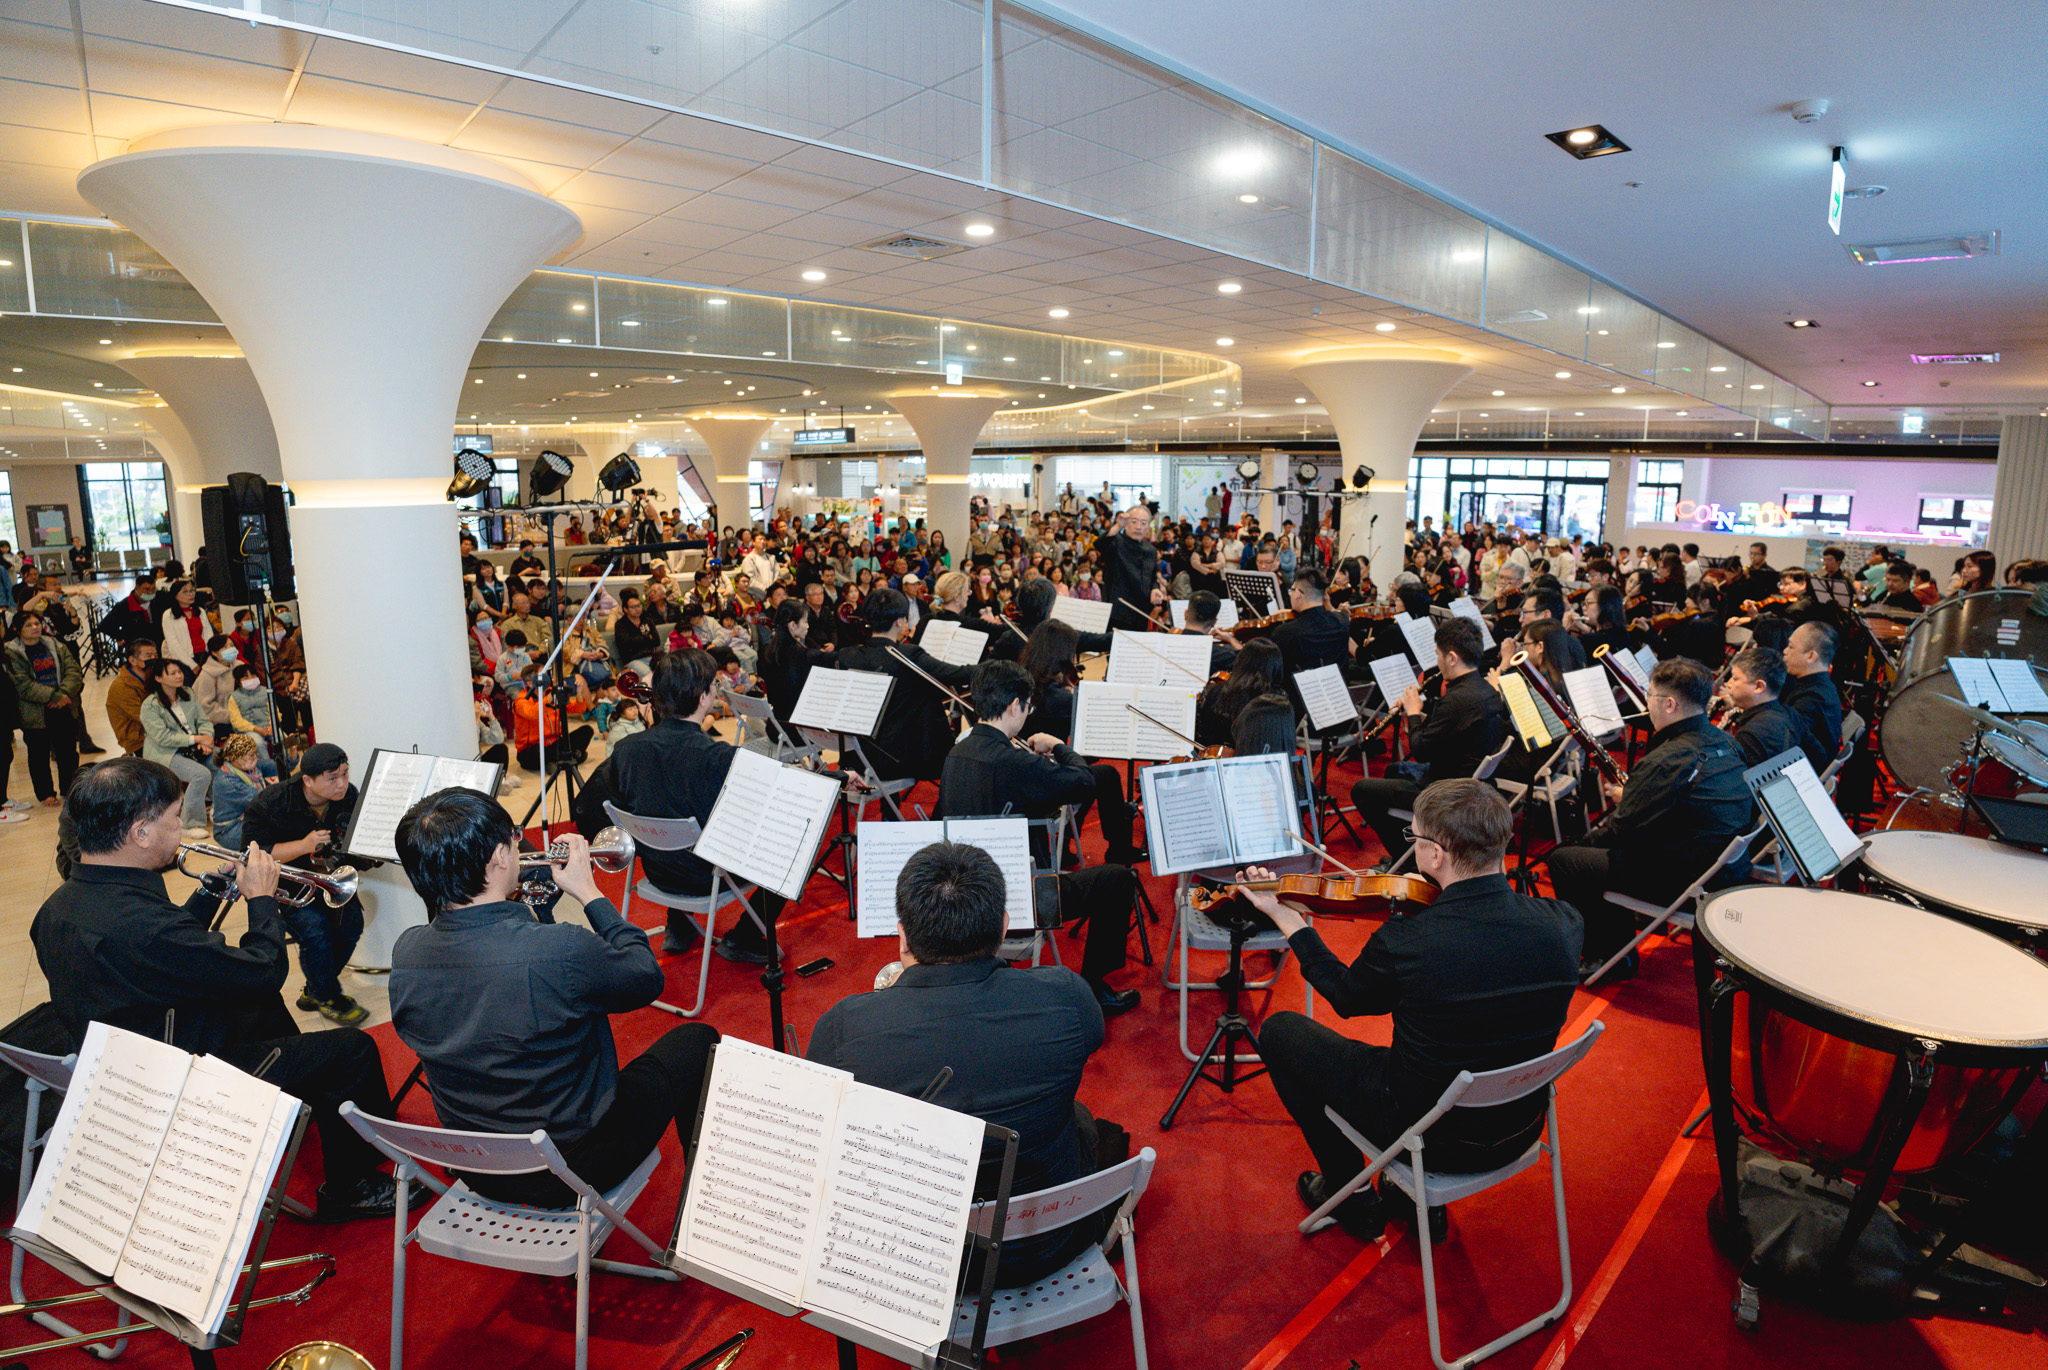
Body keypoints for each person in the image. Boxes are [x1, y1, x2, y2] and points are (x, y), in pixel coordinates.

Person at [32, 758, 418, 1221]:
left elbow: (159, 958)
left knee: (253, 1000)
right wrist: (260, 900)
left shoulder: (59, 907)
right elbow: (264, 968)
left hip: (129, 1058)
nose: (183, 830)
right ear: (140, 833)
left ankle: (305, 1100)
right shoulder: (146, 926)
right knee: (352, 1050)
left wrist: (208, 894)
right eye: (175, 819)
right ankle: (351, 1183)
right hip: (178, 1076)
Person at [1247, 780, 1582, 1237]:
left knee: (1282, 1032)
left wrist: (1287, 917)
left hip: (1429, 1135)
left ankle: (1352, 1197)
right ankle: (1411, 1198)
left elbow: (1347, 998)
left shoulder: (1409, 943)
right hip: (1519, 1125)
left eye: (1417, 839)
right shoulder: (1564, 923)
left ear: (1437, 856)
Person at [807, 842, 1119, 1284]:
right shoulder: (1067, 996)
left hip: (921, 1264)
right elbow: (1091, 1037)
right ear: (1004, 927)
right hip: (1049, 1241)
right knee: (1079, 1118)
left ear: (902, 937)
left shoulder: (843, 1028)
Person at [389, 788, 719, 1206]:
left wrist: (535, 907)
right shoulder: (559, 949)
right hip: (571, 1168)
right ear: (499, 857)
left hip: (478, 1167)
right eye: (513, 837)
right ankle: (705, 1208)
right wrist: (589, 892)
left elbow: (508, 979)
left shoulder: (407, 951)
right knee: (697, 1040)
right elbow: (644, 977)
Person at [937, 661, 1140, 1013]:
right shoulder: (1015, 762)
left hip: (961, 887)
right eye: (1027, 707)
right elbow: (1085, 781)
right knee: (1118, 879)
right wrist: (1059, 746)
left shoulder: (957, 752)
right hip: (1016, 896)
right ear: (1015, 705)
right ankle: (1095, 989)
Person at [1546, 659, 1753, 979]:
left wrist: (1580, 844)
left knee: (1567, 860)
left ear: (1670, 704)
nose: (1646, 704)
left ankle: (1607, 955)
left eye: (1650, 696)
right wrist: (1639, 796)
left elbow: (1620, 831)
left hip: (1687, 880)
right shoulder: (1727, 741)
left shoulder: (1667, 758)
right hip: (1726, 870)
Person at [603, 648, 792, 963]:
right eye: (714, 685)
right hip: (706, 877)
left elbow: (612, 807)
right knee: (787, 846)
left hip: (656, 869)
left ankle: (680, 924)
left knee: (674, 815)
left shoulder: (624, 750)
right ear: (704, 697)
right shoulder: (719, 757)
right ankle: (744, 937)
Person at [1350, 618, 1509, 866]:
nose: (1437, 661)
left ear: (1452, 658)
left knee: (1362, 790)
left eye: (1438, 655)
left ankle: (1407, 862)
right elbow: (1455, 729)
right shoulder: (1487, 690)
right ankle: (1408, 854)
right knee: (1393, 771)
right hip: (1468, 781)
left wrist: (1413, 714)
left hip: (1447, 792)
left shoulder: (1456, 699)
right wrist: (1425, 717)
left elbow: (1421, 751)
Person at [242, 743, 370, 1025]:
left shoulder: (348, 795)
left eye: (346, 774)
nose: (343, 784)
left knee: (352, 927)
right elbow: (252, 853)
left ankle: (316, 988)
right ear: (307, 780)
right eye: (333, 777)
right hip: (290, 883)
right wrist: (303, 845)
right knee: (315, 934)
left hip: (330, 877)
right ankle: (328, 996)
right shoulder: (270, 803)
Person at [832, 588, 975, 785]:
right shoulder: (908, 655)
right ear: (899, 621)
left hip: (859, 757)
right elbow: (957, 674)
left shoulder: (848, 655)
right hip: (902, 759)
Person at [7, 608, 84, 808]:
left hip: (63, 706)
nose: (35, 628)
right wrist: (53, 696)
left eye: (37, 624)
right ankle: (45, 793)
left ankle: (70, 788)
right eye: (29, 625)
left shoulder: (55, 645)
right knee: (38, 754)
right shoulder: (11, 652)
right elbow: (22, 684)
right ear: (17, 629)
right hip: (34, 711)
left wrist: (64, 694)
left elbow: (73, 670)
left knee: (67, 751)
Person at [139, 657, 212, 836]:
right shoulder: (150, 705)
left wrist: (207, 739)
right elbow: (162, 737)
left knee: (222, 763)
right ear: (158, 678)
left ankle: (220, 809)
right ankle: (189, 824)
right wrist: (196, 739)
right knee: (200, 774)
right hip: (165, 753)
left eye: (179, 671)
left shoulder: (187, 693)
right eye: (172, 673)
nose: (179, 676)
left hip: (195, 746)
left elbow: (203, 720)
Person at [1720, 645, 1803, 767]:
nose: (1729, 684)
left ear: (1759, 687)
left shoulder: (1750, 734)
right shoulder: (1791, 714)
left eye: (1736, 679)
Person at [1779, 622, 1844, 772]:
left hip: (1801, 774)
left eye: (1791, 647)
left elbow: (1785, 745)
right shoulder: (1823, 686)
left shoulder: (1809, 700)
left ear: (1810, 656)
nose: (1785, 651)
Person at [1098, 505, 1166, 631]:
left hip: (1141, 613)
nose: (1138, 527)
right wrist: (1118, 526)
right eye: (1134, 522)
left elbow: (1152, 577)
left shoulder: (1150, 550)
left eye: (1143, 523)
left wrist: (1155, 589)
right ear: (1126, 523)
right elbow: (1099, 544)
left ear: (1147, 528)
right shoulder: (1116, 542)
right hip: (1118, 613)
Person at [106, 635, 158, 755]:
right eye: (148, 656)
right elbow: (144, 717)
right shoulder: (122, 686)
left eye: (156, 655)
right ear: (133, 660)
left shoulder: (151, 676)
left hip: (153, 734)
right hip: (138, 741)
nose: (154, 659)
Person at [1183, 590, 1238, 674]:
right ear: (1214, 622)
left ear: (1186, 614)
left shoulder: (1165, 643)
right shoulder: (1220, 654)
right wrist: (1232, 640)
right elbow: (1251, 663)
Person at [159, 579, 210, 670]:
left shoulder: (200, 611)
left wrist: (208, 655)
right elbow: (173, 643)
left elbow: (208, 635)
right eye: (185, 592)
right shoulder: (169, 615)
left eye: (192, 590)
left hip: (203, 655)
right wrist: (192, 665)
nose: (190, 594)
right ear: (175, 595)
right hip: (182, 659)